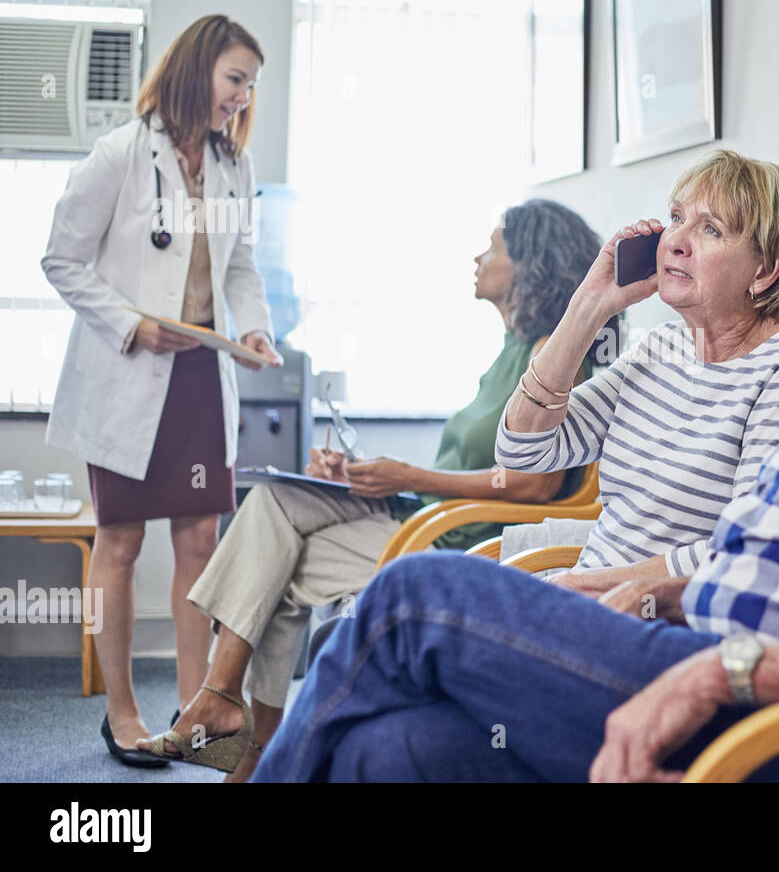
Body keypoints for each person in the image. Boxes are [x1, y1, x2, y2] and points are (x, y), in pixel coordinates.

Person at [252, 94, 779, 783]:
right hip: (706, 655)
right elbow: (548, 463)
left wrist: (718, 669)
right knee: (391, 751)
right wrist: (652, 596)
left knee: (412, 596)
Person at [136, 199, 606, 780]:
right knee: (275, 514)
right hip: (429, 517)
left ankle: (237, 729)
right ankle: (234, 720)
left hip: (461, 548)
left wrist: (409, 478)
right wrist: (364, 473)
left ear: (529, 263)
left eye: (494, 246)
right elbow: (469, 469)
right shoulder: (508, 354)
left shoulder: (550, 357)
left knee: (275, 560)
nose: (479, 256)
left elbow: (537, 485)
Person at [41, 15, 283, 769]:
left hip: (199, 373)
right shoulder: (119, 154)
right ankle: (121, 714)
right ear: (195, 70)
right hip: (128, 370)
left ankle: (194, 709)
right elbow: (61, 260)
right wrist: (132, 325)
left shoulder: (233, 167)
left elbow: (241, 265)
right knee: (118, 540)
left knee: (200, 541)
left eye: (250, 86)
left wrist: (255, 331)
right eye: (235, 79)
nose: (243, 98)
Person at [495, 148, 779, 598]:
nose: (675, 240)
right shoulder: (662, 346)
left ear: (765, 271)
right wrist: (588, 308)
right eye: (676, 218)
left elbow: (751, 544)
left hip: (655, 620)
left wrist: (582, 585)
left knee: (410, 595)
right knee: (419, 593)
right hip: (584, 598)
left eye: (711, 228)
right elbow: (522, 450)